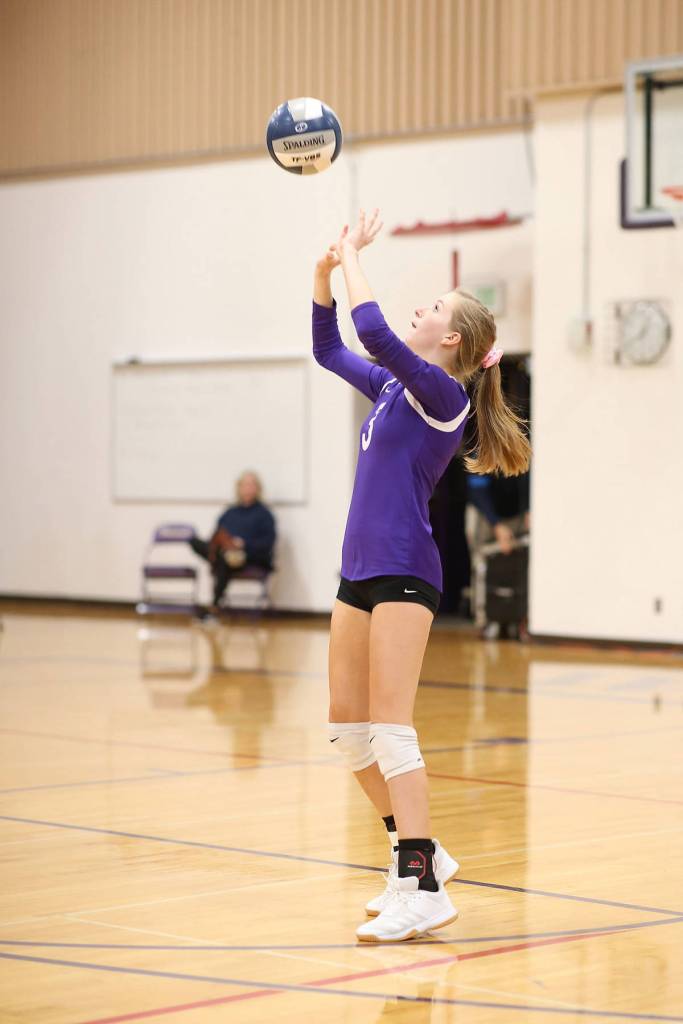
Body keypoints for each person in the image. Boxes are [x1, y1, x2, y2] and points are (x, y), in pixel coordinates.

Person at [312, 209, 530, 942]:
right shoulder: (389, 389)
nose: (418, 310)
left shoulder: (444, 398)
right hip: (358, 571)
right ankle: (419, 851)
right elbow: (327, 348)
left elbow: (370, 330)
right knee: (347, 734)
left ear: (452, 343)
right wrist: (321, 275)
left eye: (432, 308)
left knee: (391, 729)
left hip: (407, 571)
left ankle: (422, 886)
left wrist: (351, 257)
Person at [189, 471, 276, 612]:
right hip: (225, 552)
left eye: (252, 485)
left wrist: (243, 544)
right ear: (239, 487)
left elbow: (267, 543)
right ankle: (218, 559)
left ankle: (214, 605)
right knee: (195, 542)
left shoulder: (264, 515)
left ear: (258, 488)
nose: (248, 488)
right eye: (245, 484)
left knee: (225, 559)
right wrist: (224, 543)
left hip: (249, 556)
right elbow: (216, 533)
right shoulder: (230, 512)